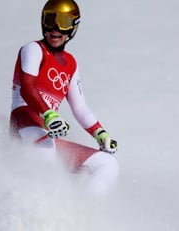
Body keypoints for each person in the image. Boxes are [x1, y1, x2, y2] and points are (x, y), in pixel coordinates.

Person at [9, 0, 119, 194]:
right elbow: (27, 87)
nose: (55, 29)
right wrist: (49, 115)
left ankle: (84, 214)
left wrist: (100, 133)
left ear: (73, 27)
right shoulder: (34, 49)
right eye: (50, 20)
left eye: (64, 23)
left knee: (107, 165)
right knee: (47, 154)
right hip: (25, 126)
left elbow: (80, 107)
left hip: (48, 134)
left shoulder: (70, 63)